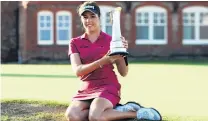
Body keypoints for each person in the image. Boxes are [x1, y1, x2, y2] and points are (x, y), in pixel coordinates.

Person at [65, 1, 162, 121]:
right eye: (85, 17)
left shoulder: (112, 40)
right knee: (72, 115)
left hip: (108, 86)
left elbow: (124, 72)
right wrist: (103, 61)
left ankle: (137, 113)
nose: (88, 21)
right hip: (87, 88)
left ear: (99, 18)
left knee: (95, 117)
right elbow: (78, 71)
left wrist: (122, 53)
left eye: (92, 16)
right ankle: (116, 111)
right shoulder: (75, 42)